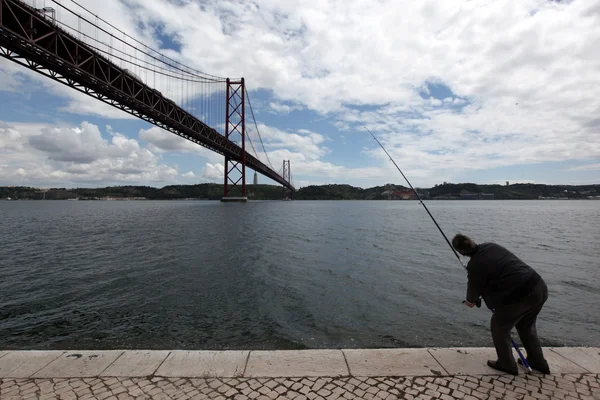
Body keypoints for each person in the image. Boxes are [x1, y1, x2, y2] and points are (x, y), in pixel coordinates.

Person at [452, 233, 551, 375]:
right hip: (539, 287)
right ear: (473, 241)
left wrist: (469, 301)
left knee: (499, 327)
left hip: (522, 295)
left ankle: (507, 364)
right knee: (525, 325)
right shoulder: (491, 246)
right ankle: (538, 361)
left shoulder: (474, 266)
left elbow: (472, 294)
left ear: (461, 252)